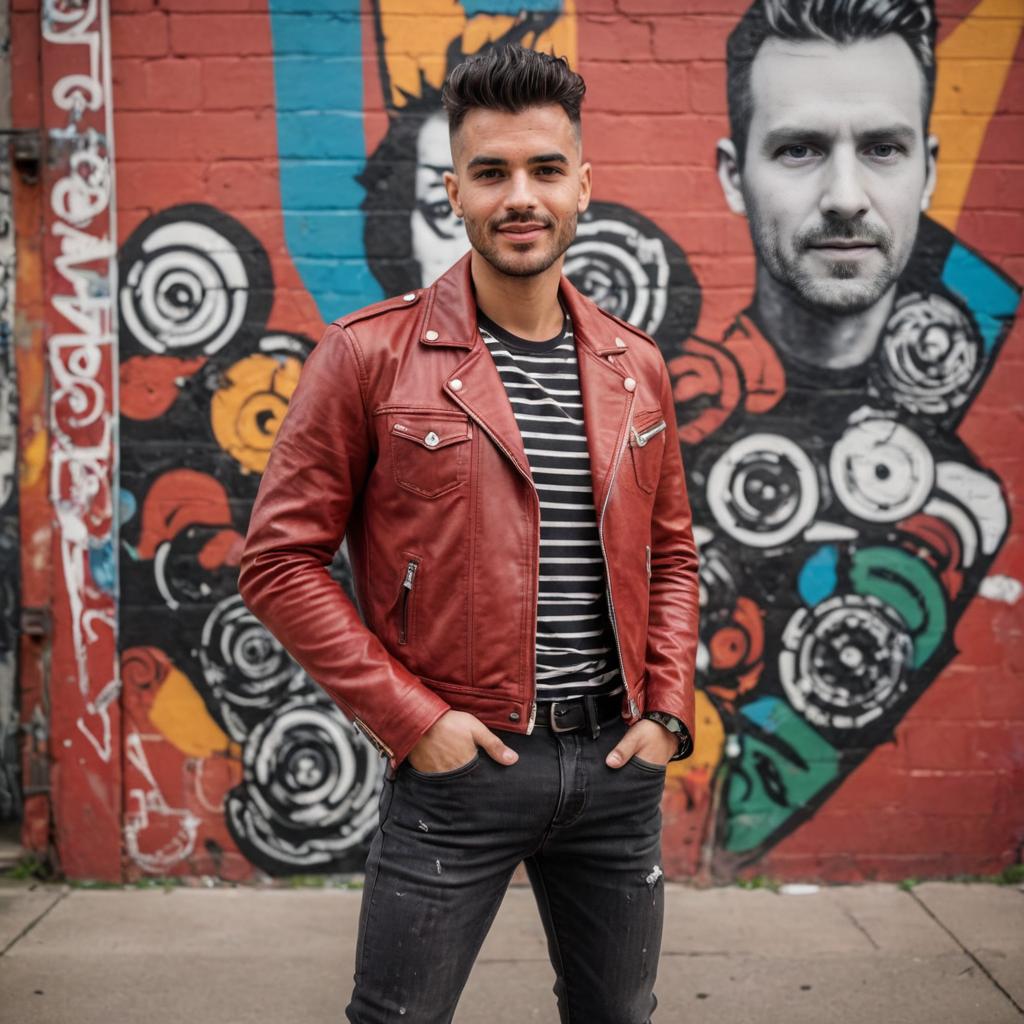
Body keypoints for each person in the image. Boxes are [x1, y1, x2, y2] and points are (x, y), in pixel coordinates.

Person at [238, 45, 700, 1023]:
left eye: (542, 169)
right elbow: (279, 562)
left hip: (618, 767)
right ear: (454, 191)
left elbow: (671, 554)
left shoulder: (636, 366)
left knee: (617, 1013)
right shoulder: (368, 355)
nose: (518, 196)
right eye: (490, 173)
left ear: (584, 183)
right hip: (462, 768)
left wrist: (664, 708)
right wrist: (416, 724)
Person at [668, 0, 1015, 870]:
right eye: (799, 149)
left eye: (884, 149)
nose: (848, 197)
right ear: (731, 173)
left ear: (929, 172)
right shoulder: (651, 428)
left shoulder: (955, 505)